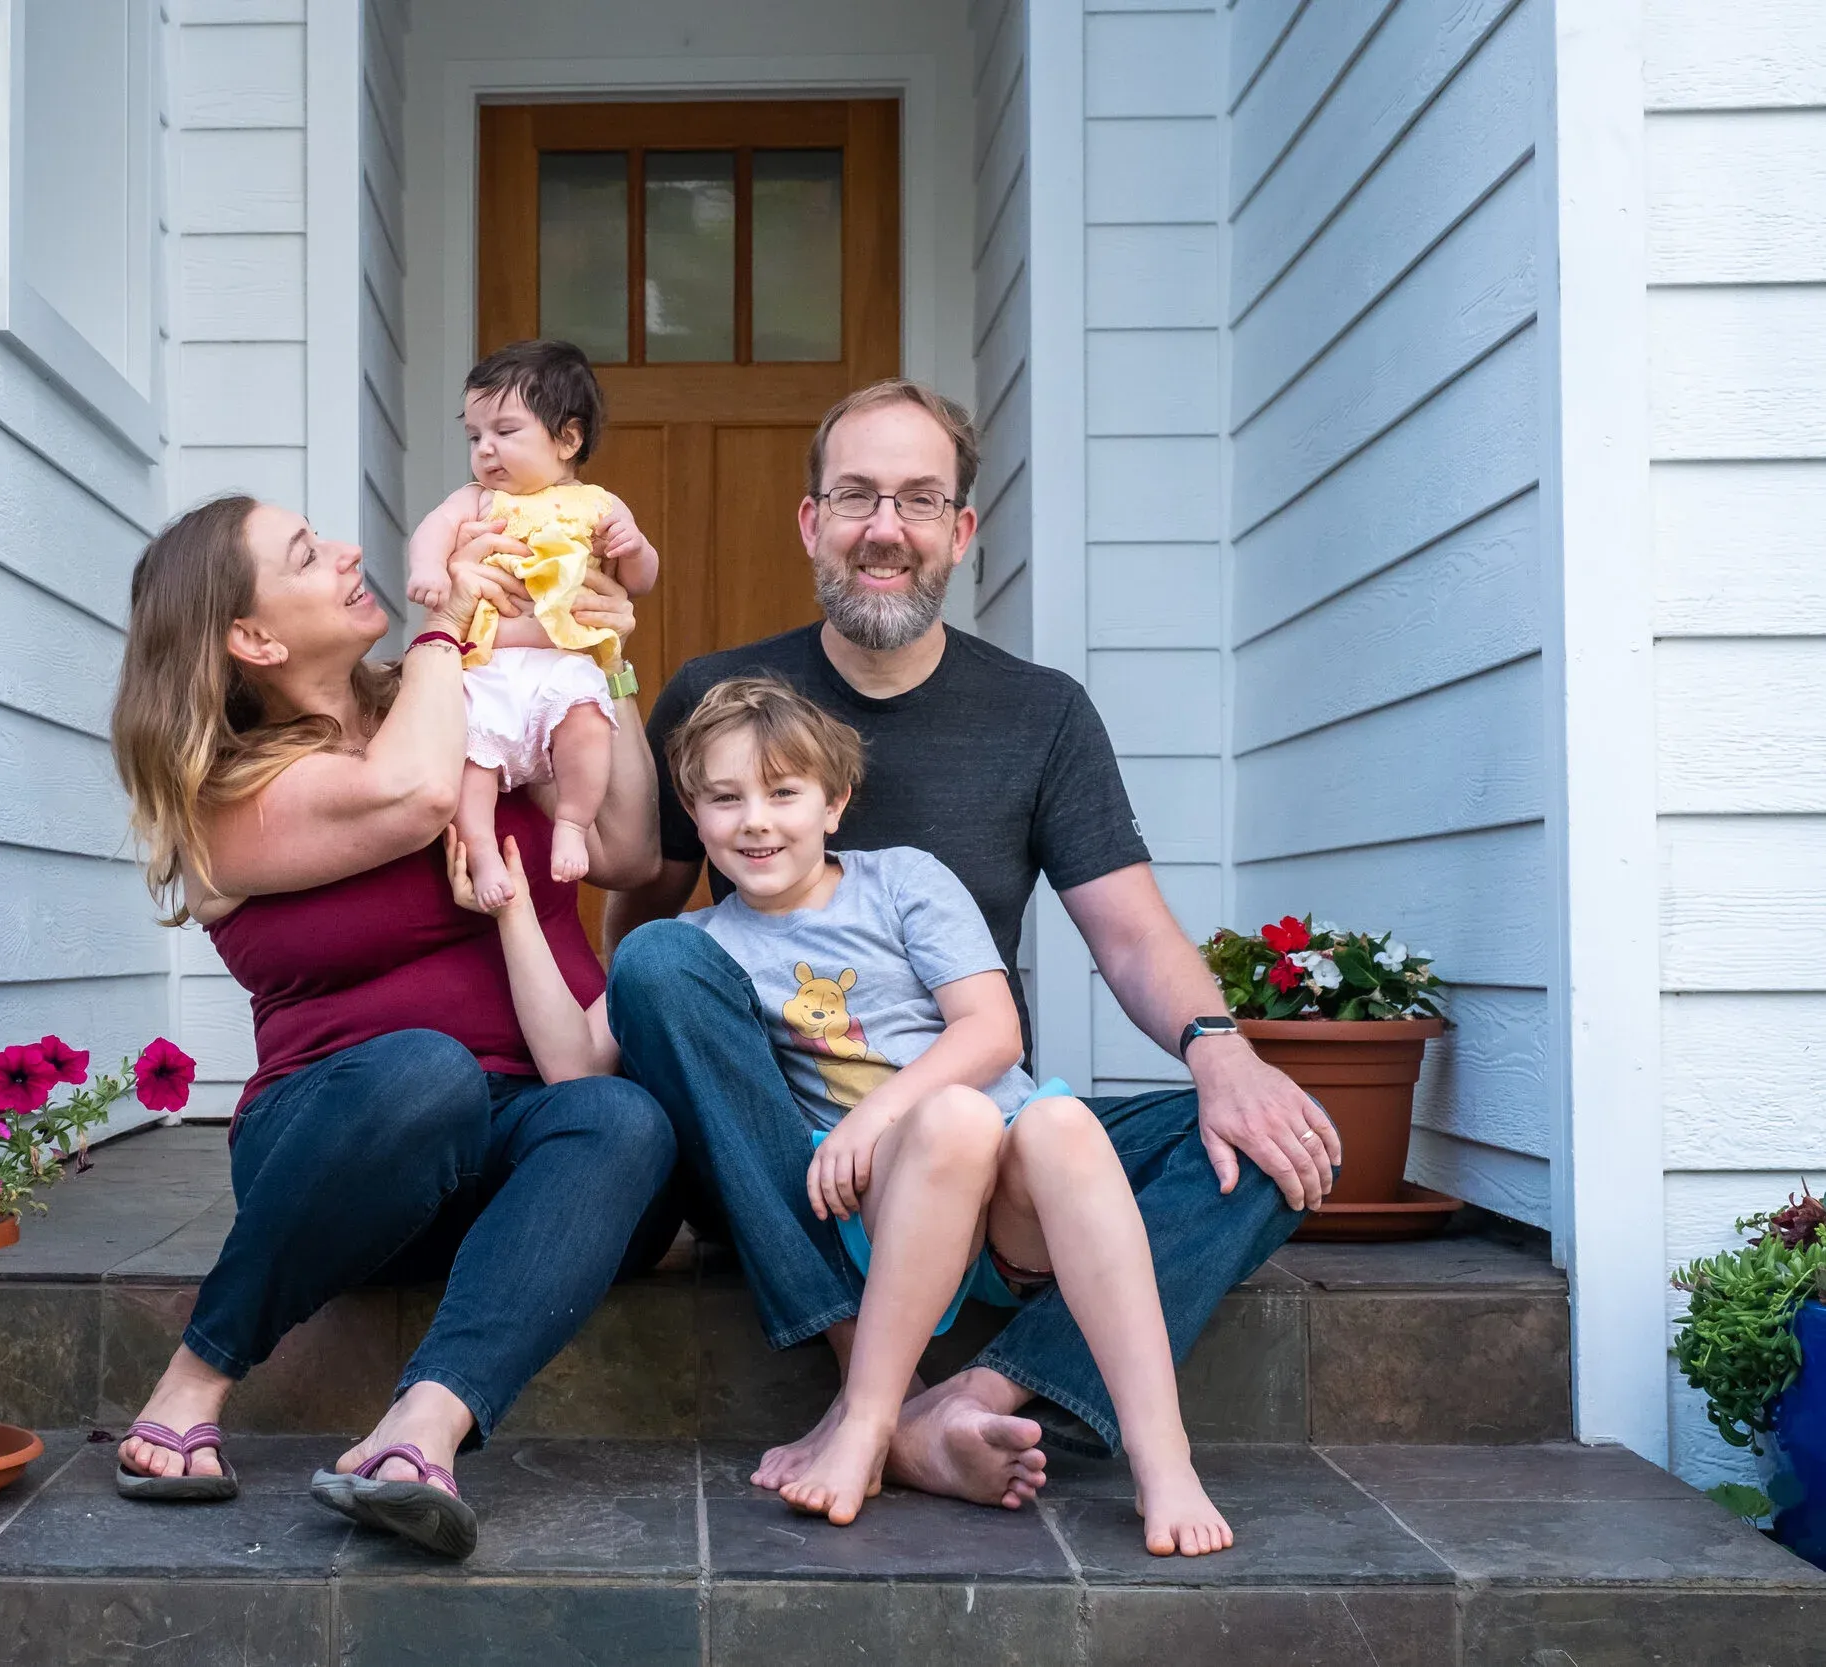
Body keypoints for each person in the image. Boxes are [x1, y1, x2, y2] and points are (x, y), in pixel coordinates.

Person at [605, 378, 1344, 1511]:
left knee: (1267, 1154)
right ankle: (870, 1379)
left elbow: (1132, 931)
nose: (883, 528)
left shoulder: (1038, 714)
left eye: (917, 499)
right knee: (660, 966)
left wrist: (1219, 1047)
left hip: (976, 1110)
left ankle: (970, 1393)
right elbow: (647, 925)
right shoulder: (723, 697)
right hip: (793, 1139)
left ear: (960, 528)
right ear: (812, 522)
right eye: (855, 497)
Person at [107, 492, 674, 1560]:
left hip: (532, 1164)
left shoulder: (468, 692)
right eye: (307, 553)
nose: (350, 550)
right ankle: (198, 1371)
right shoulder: (224, 798)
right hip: (350, 1153)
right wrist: (449, 628)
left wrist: (598, 660)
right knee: (428, 1071)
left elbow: (631, 849)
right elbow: (408, 794)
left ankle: (422, 1431)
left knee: (624, 1117)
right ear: (254, 638)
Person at [661, 677, 1230, 1554]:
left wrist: (873, 1112)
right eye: (725, 798)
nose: (756, 821)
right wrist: (516, 913)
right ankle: (867, 1421)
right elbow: (577, 1055)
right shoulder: (707, 944)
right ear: (693, 815)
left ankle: (1166, 1459)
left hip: (1013, 1206)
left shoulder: (903, 882)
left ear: (835, 801)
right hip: (892, 1207)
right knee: (956, 1119)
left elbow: (995, 1029)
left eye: (783, 792)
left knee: (1060, 1122)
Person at [404, 341, 660, 903]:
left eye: (505, 431)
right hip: (489, 667)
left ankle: (573, 821)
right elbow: (432, 528)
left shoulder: (598, 504)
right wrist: (428, 568)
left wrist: (634, 547)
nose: (486, 451)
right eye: (475, 437)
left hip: (561, 667)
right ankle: (482, 851)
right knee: (474, 763)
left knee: (589, 729)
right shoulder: (477, 501)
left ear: (568, 439)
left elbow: (639, 580)